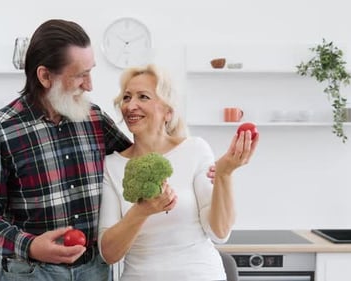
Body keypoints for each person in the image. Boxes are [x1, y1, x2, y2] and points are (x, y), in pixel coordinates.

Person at [0, 19, 132, 281]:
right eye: (80, 75)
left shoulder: (94, 119)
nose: (90, 85)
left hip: (95, 270)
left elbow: (136, 161)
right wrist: (30, 246)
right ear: (44, 76)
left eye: (91, 72)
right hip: (32, 273)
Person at [98, 64, 259, 281]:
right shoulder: (112, 165)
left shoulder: (195, 150)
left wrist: (224, 175)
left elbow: (219, 232)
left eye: (143, 97)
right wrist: (141, 211)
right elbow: (109, 254)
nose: (131, 105)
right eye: (127, 98)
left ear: (168, 112)